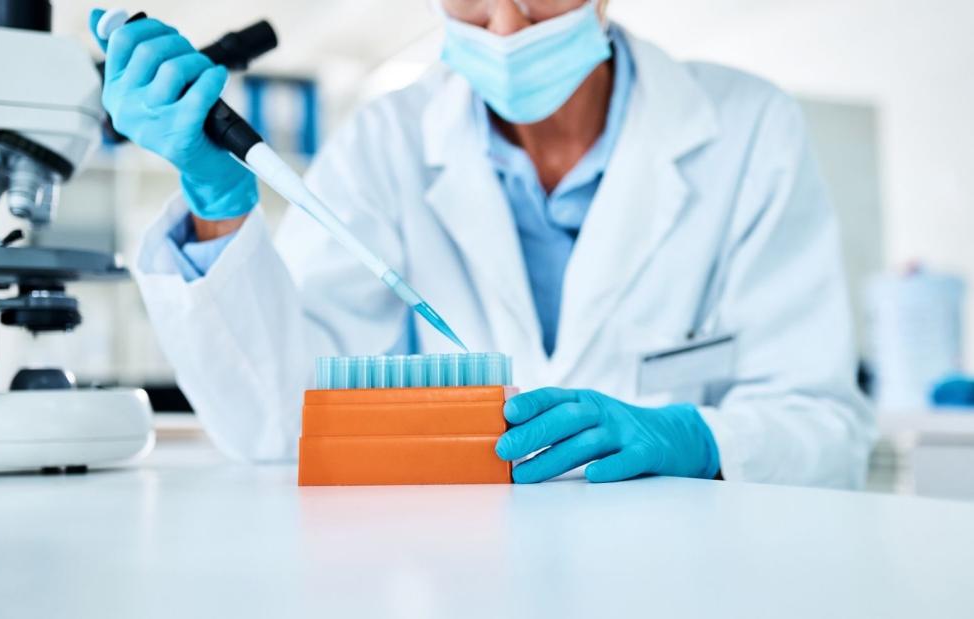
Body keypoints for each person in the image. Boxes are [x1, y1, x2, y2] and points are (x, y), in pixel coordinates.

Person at [89, 0, 874, 486]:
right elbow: (275, 426)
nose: (504, 27)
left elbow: (825, 428)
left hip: (686, 574)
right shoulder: (384, 144)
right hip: (460, 571)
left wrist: (696, 437)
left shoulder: (747, 128)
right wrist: (216, 201)